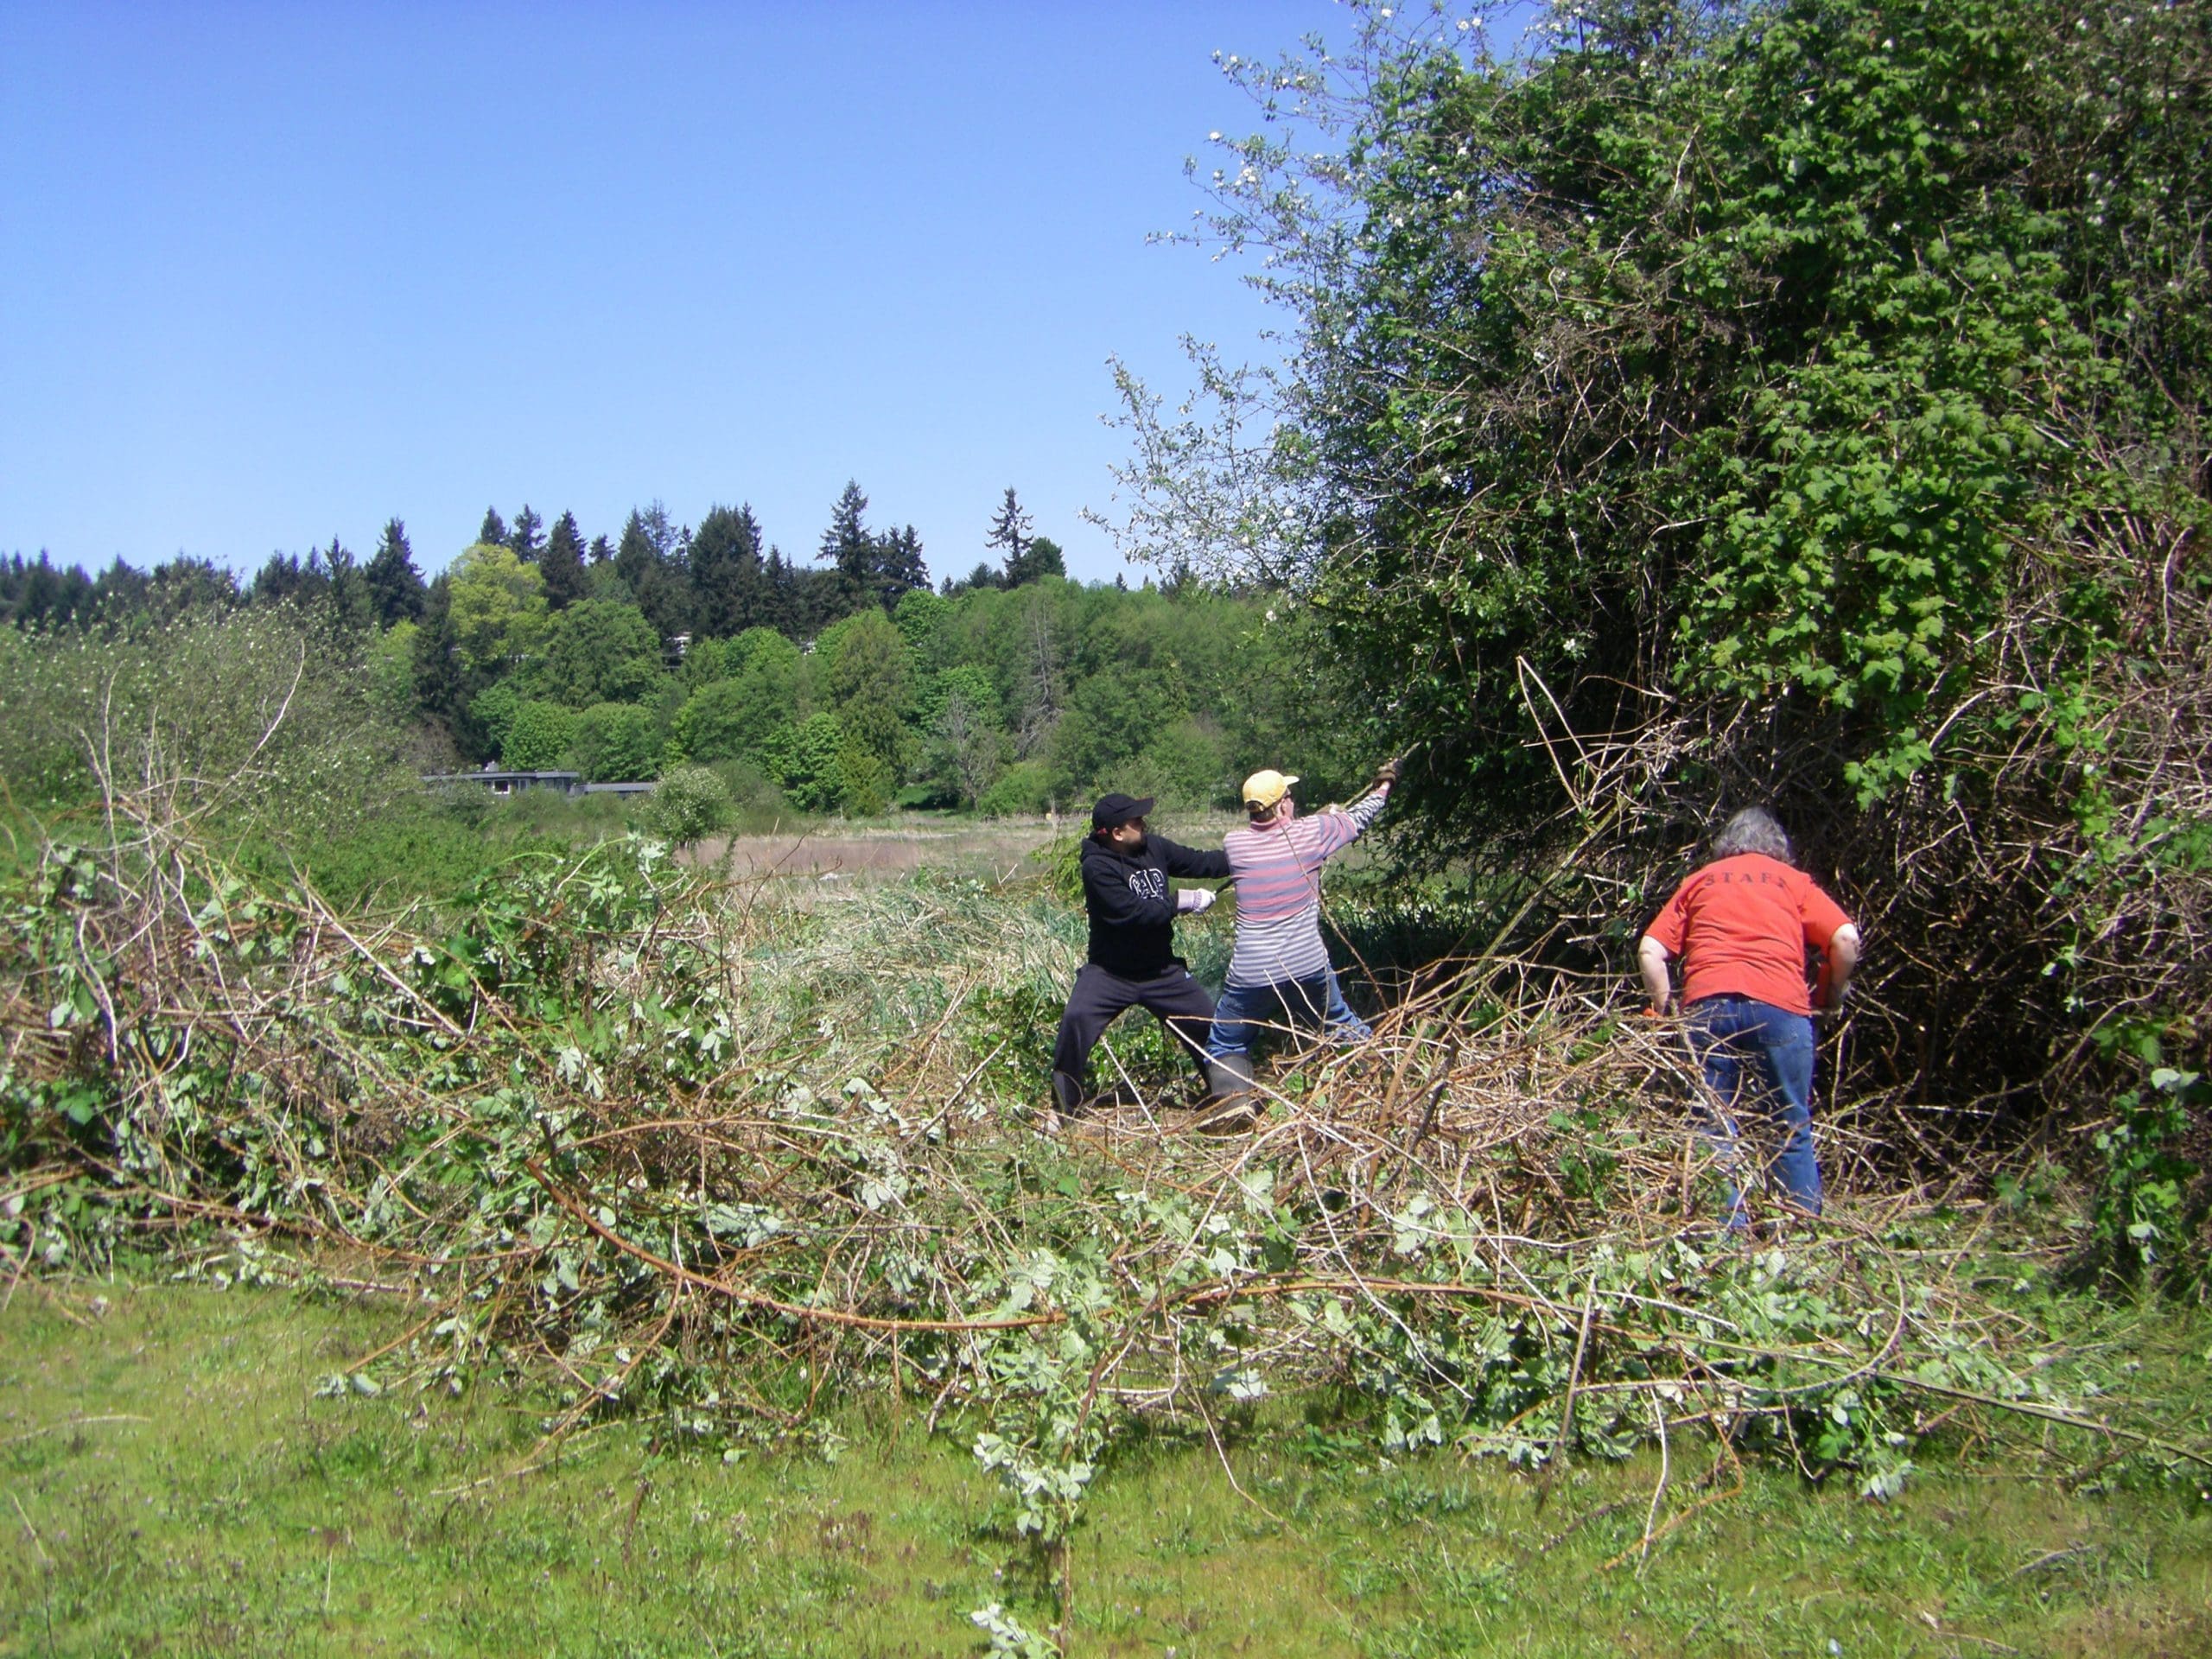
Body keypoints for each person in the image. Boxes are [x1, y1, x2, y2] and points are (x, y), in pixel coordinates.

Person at [1637, 806, 1861, 1228]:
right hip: (1781, 1009)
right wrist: (1830, 994)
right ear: (1778, 849)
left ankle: (1723, 1241)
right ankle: (1799, 1235)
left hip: (1707, 1008)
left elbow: (1651, 948)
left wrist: (1664, 1012)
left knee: (1712, 1127)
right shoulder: (1793, 882)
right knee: (1791, 1126)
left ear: (1726, 845)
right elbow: (1845, 938)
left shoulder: (1699, 880)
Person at [1202, 760, 1399, 1122]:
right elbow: (1361, 817)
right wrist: (1383, 785)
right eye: (1289, 795)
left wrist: (1312, 822)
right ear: (1284, 803)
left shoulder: (1235, 845)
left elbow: (1281, 835)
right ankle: (1387, 1078)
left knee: (1227, 1041)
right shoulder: (1315, 832)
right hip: (1307, 964)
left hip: (1252, 970)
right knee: (1339, 1022)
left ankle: (1234, 1108)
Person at [1047, 792, 1230, 1119]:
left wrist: (1249, 855)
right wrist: (1181, 901)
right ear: (1117, 833)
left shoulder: (1153, 847)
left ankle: (1230, 1099)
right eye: (1136, 821)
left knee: (1210, 1027)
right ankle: (1063, 1110)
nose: (1143, 824)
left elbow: (1200, 861)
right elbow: (1133, 913)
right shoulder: (1096, 867)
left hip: (1161, 970)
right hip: (1109, 974)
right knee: (1075, 1022)